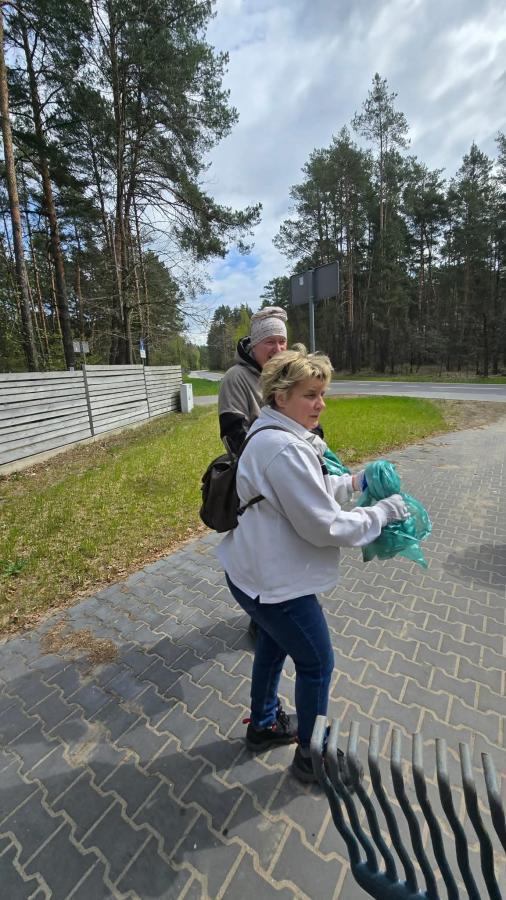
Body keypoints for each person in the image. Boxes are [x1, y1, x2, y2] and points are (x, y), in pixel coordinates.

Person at [216, 348, 410, 784]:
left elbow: (308, 489)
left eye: (322, 393)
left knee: (272, 646)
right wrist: (383, 513)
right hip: (275, 584)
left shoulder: (274, 432)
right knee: (317, 663)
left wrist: (354, 482)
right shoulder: (282, 447)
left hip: (253, 573)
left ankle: (264, 724)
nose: (321, 404)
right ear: (280, 396)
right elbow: (325, 525)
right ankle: (311, 755)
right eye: (310, 394)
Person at [218, 306, 288, 455]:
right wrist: (279, 458)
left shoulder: (289, 375)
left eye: (282, 341)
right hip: (259, 463)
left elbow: (308, 422)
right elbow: (234, 436)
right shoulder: (235, 377)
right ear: (254, 345)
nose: (278, 349)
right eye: (270, 342)